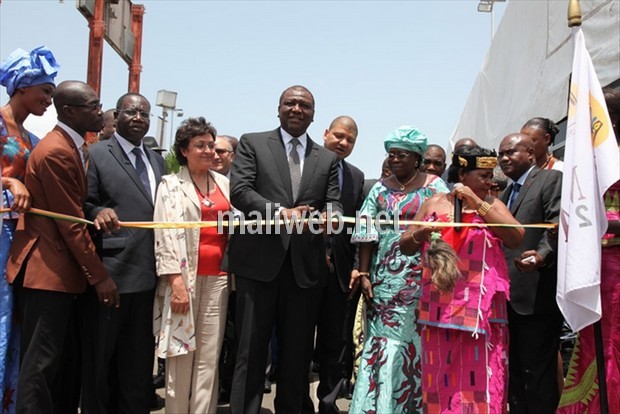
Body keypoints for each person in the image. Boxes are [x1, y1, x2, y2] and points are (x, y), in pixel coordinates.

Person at [228, 85, 341, 414]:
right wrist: (280, 212)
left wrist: (329, 219)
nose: (296, 109)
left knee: (297, 355)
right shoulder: (253, 143)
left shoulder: (328, 158)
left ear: (313, 114)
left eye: (304, 105)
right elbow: (241, 191)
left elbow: (333, 203)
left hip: (304, 271)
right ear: (278, 109)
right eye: (290, 103)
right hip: (259, 266)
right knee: (250, 353)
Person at [6, 80, 118, 413]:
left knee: (57, 365)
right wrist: (100, 278)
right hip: (46, 274)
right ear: (69, 111)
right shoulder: (56, 151)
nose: (100, 112)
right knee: (39, 367)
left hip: (60, 275)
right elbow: (70, 223)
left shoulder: (73, 147)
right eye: (94, 107)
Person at [400, 145, 524, 413]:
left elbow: (516, 237)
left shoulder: (492, 203)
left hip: (483, 314)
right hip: (440, 310)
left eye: (492, 174)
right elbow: (405, 245)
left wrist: (477, 205)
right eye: (483, 175)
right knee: (441, 379)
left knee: (482, 379)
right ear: (463, 174)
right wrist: (421, 234)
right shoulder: (434, 203)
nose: (490, 181)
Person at [348, 125, 448, 413]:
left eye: (400, 155)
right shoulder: (380, 187)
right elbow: (366, 230)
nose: (393, 160)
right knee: (382, 341)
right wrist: (364, 273)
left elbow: (445, 227)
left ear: (416, 158)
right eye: (390, 154)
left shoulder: (434, 186)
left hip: (422, 274)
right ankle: (378, 405)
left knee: (414, 339)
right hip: (383, 277)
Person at [80, 93, 166, 413]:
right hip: (111, 274)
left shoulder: (157, 160)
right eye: (132, 112)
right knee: (100, 359)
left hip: (148, 275)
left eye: (145, 113)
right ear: (116, 116)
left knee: (138, 360)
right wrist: (98, 210)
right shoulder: (97, 153)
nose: (139, 118)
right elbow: (82, 204)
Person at [153, 117, 230, 413]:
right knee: (181, 353)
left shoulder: (224, 183)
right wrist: (175, 283)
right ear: (184, 150)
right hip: (183, 279)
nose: (209, 151)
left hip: (219, 279)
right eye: (200, 145)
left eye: (212, 145)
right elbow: (164, 234)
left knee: (209, 357)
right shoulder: (170, 185)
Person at [0, 45, 58, 412]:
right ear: (23, 86)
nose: (50, 102)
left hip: (22, 241)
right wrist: (7, 183)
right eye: (46, 92)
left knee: (18, 327)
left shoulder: (32, 138)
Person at [558, 88, 620, 413]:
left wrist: (601, 222)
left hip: (617, 270)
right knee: (593, 342)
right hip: (592, 265)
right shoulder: (586, 158)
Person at [498, 133, 563, 413]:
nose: (504, 158)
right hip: (507, 298)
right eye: (501, 154)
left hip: (537, 297)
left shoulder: (549, 180)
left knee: (538, 374)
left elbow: (558, 223)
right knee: (513, 373)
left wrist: (541, 256)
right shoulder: (503, 194)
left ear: (530, 152)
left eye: (511, 152)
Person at [307, 115, 364, 414]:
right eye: (339, 136)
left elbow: (361, 227)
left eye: (350, 140)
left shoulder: (356, 176)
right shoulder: (305, 164)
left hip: (340, 274)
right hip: (303, 269)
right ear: (326, 133)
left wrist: (356, 264)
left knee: (334, 344)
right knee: (300, 341)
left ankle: (327, 403)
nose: (343, 143)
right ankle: (298, 403)